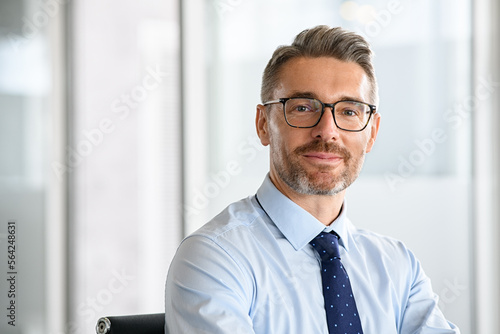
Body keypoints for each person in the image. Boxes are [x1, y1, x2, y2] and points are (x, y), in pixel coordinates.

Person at [165, 25, 459, 334]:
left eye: (349, 111)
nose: (327, 130)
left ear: (371, 132)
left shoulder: (397, 267)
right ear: (263, 124)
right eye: (304, 107)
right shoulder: (215, 259)